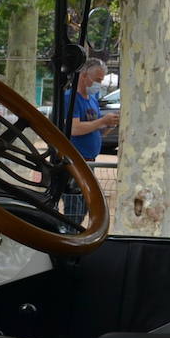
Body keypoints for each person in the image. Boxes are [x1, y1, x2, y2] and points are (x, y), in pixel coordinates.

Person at [61, 58, 117, 218]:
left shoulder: (92, 99)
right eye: (98, 80)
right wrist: (102, 121)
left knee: (84, 206)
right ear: (84, 75)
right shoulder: (70, 98)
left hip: (90, 160)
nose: (99, 84)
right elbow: (74, 128)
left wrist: (109, 125)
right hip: (75, 161)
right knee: (75, 207)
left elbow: (97, 130)